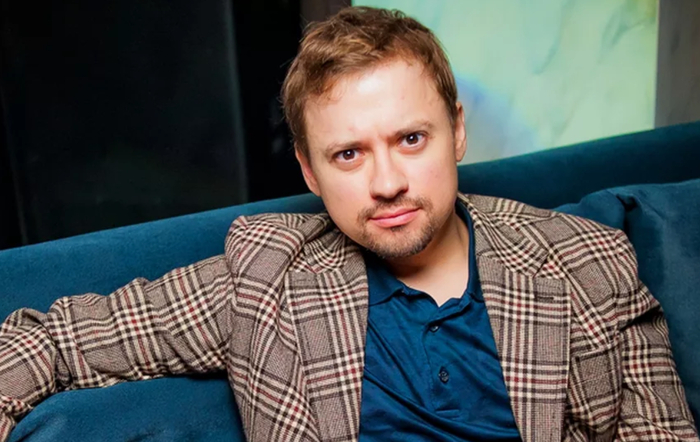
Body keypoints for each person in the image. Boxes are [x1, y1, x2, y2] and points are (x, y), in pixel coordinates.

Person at [0, 6, 697, 442]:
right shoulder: (264, 276)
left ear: (457, 132)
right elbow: (55, 340)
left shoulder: (586, 259)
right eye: (349, 154)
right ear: (309, 172)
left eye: (411, 139)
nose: (387, 182)